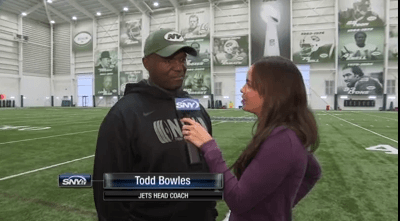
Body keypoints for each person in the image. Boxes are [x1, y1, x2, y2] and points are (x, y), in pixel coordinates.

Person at [93, 28, 218, 221]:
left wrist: (209, 211)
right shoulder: (124, 114)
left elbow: (207, 168)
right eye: (168, 60)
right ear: (147, 63)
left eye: (182, 59)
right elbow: (107, 191)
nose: (179, 67)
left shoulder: (196, 108)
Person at [180, 56, 322, 220]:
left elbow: (237, 200)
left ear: (271, 92)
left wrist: (208, 146)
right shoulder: (284, 131)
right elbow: (313, 172)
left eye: (249, 84)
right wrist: (276, 208)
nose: (242, 89)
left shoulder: (282, 140)